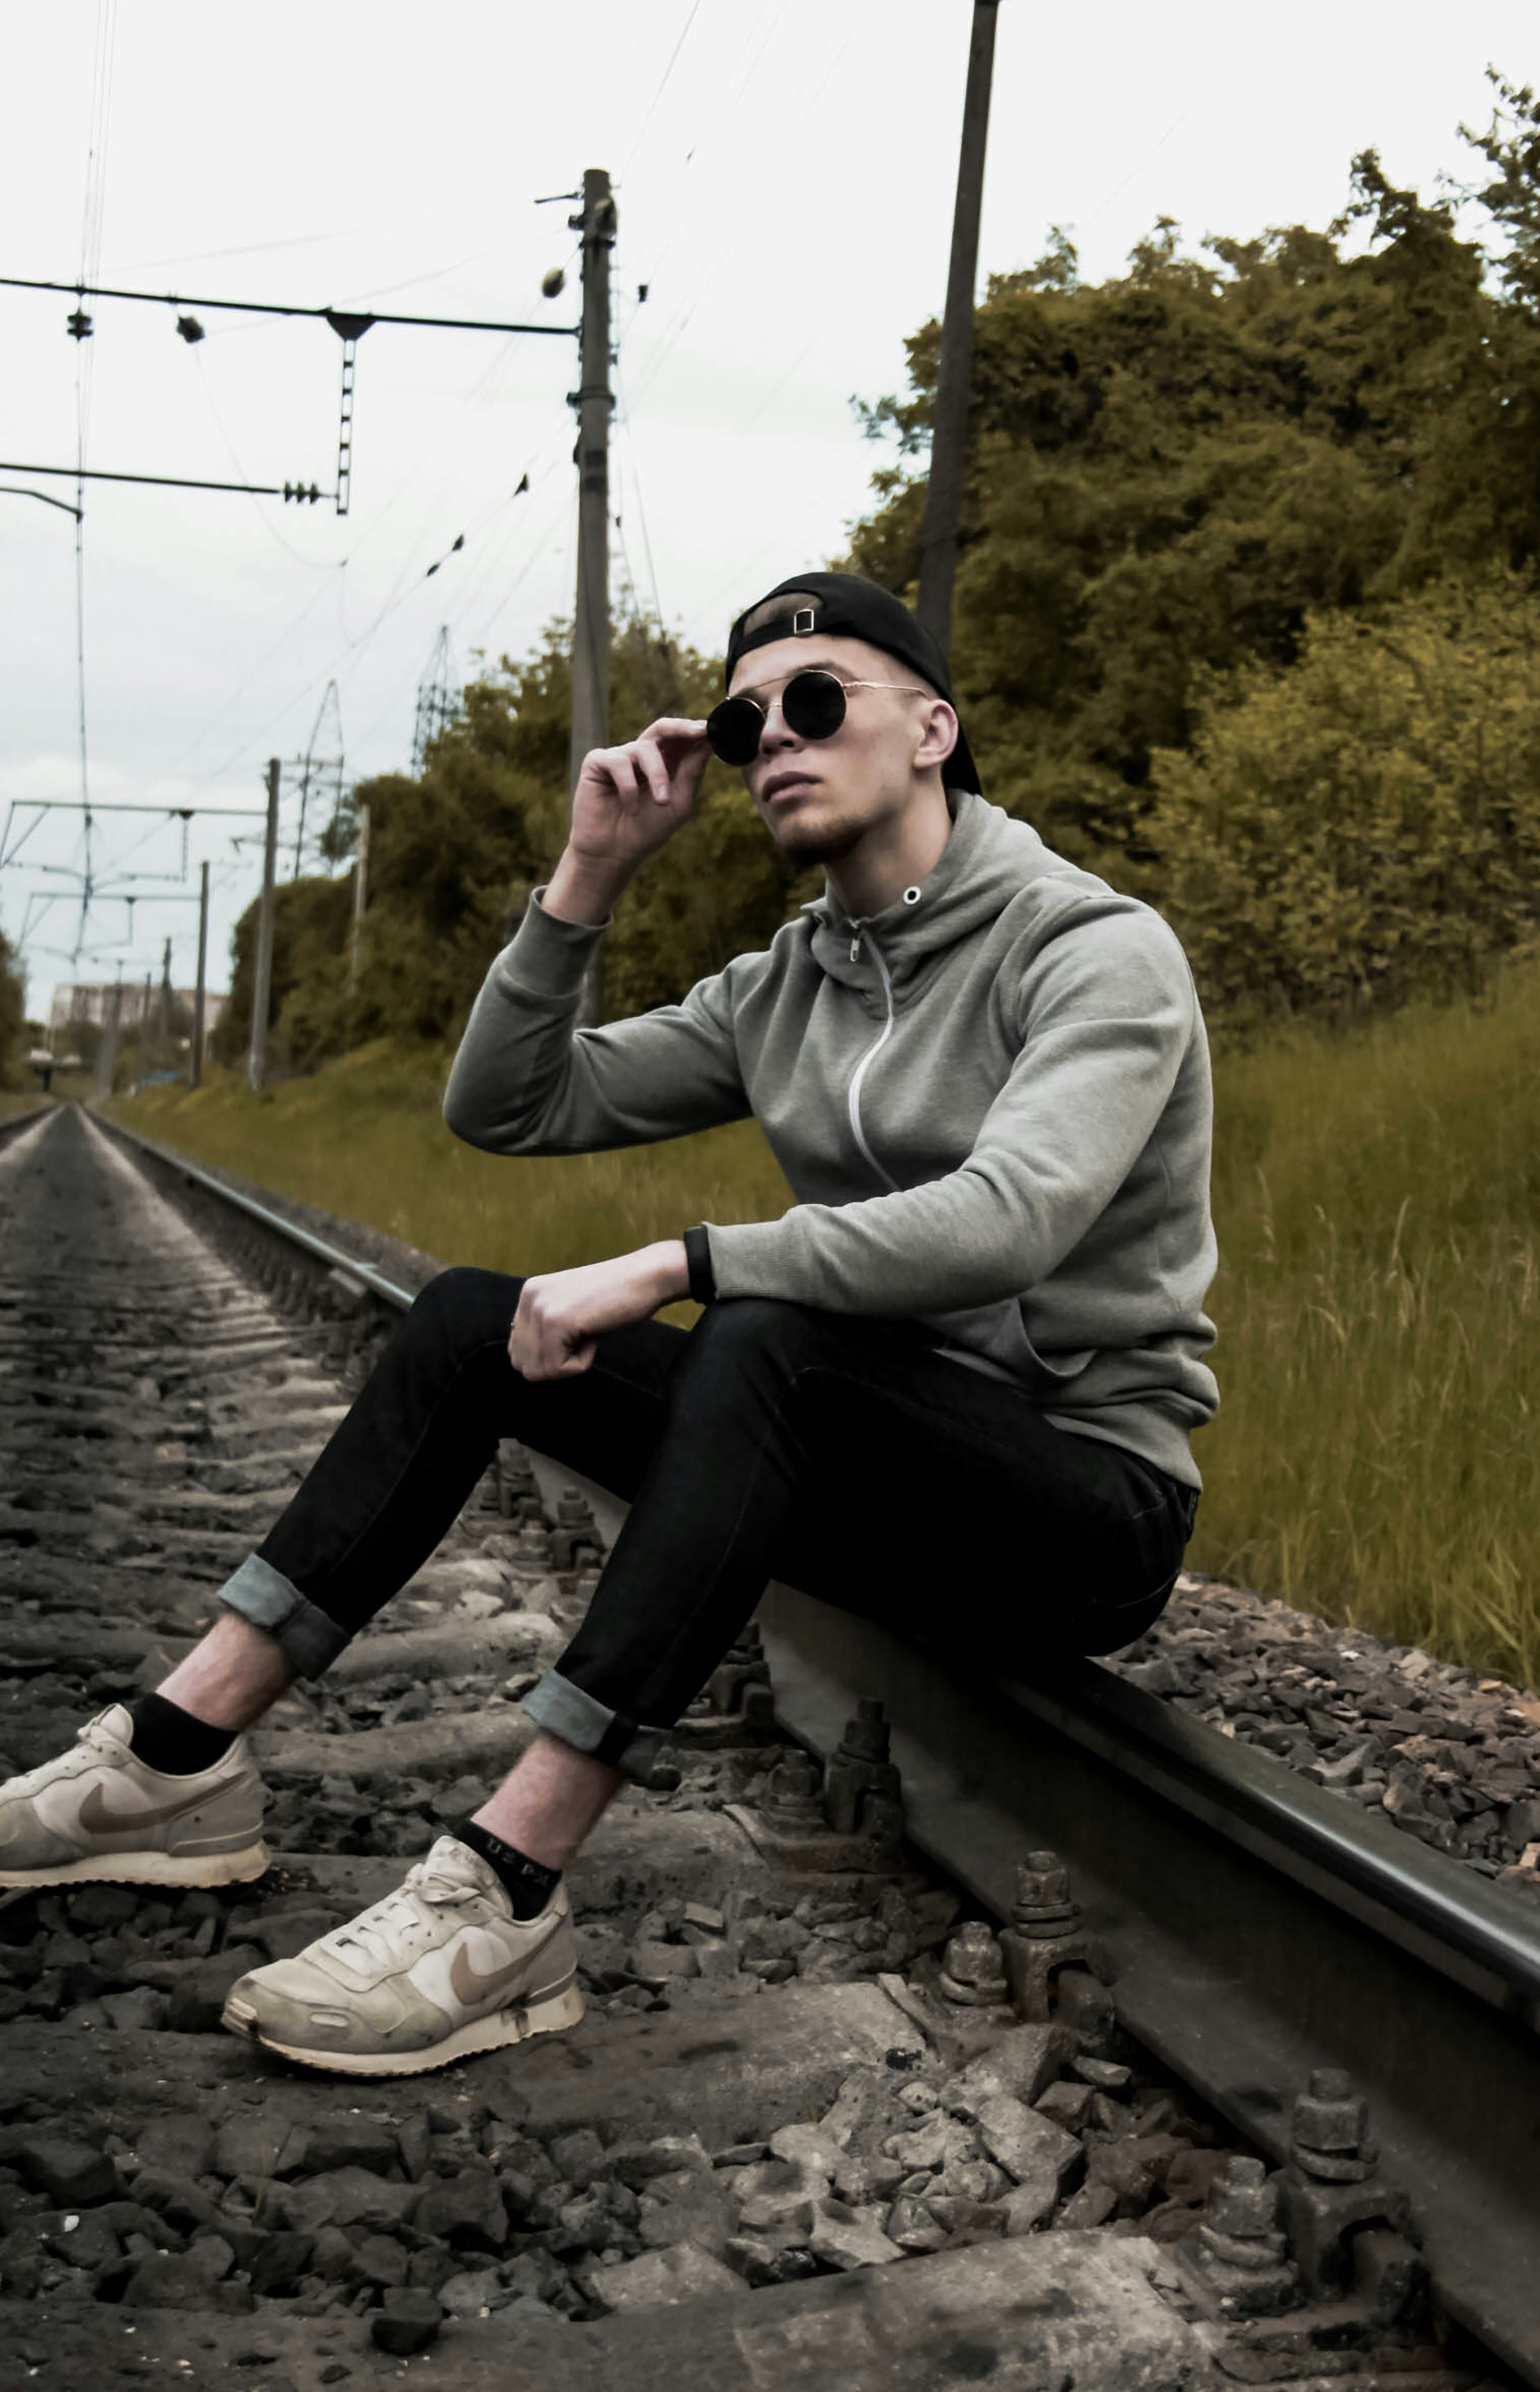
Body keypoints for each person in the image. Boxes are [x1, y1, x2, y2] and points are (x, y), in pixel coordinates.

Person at [0, 572, 1219, 2078]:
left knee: (761, 1335)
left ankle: (503, 1894)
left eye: (818, 700)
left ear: (931, 729)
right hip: (872, 1466)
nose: (774, 734)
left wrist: (678, 1259)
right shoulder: (787, 985)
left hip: (1079, 1504)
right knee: (467, 1320)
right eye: (743, 715)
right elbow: (509, 1104)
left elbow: (1011, 1215)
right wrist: (587, 874)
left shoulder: (1093, 949)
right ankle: (179, 1760)